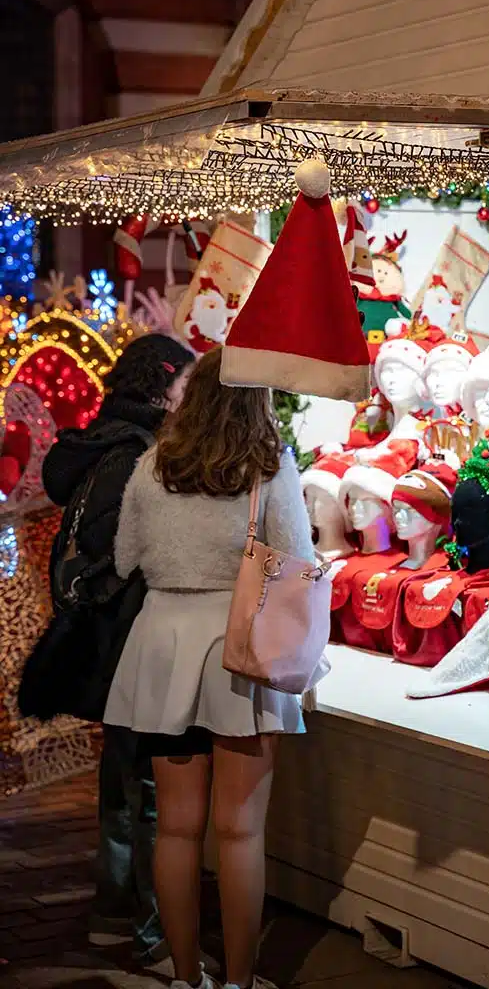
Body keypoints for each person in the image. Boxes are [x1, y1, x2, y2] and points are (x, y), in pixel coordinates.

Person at [105, 346, 315, 989]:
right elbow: (298, 560)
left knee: (175, 830)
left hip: (164, 644)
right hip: (241, 648)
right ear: (258, 398)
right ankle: (241, 981)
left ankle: (185, 976)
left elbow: (124, 558)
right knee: (239, 833)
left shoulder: (153, 465)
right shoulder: (269, 465)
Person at [42, 333, 195, 962]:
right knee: (148, 786)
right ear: (161, 388)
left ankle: (112, 911)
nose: (190, 399)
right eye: (185, 386)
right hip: (131, 637)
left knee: (123, 778)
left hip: (106, 640)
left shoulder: (101, 443)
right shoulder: (137, 455)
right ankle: (150, 928)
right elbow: (124, 552)